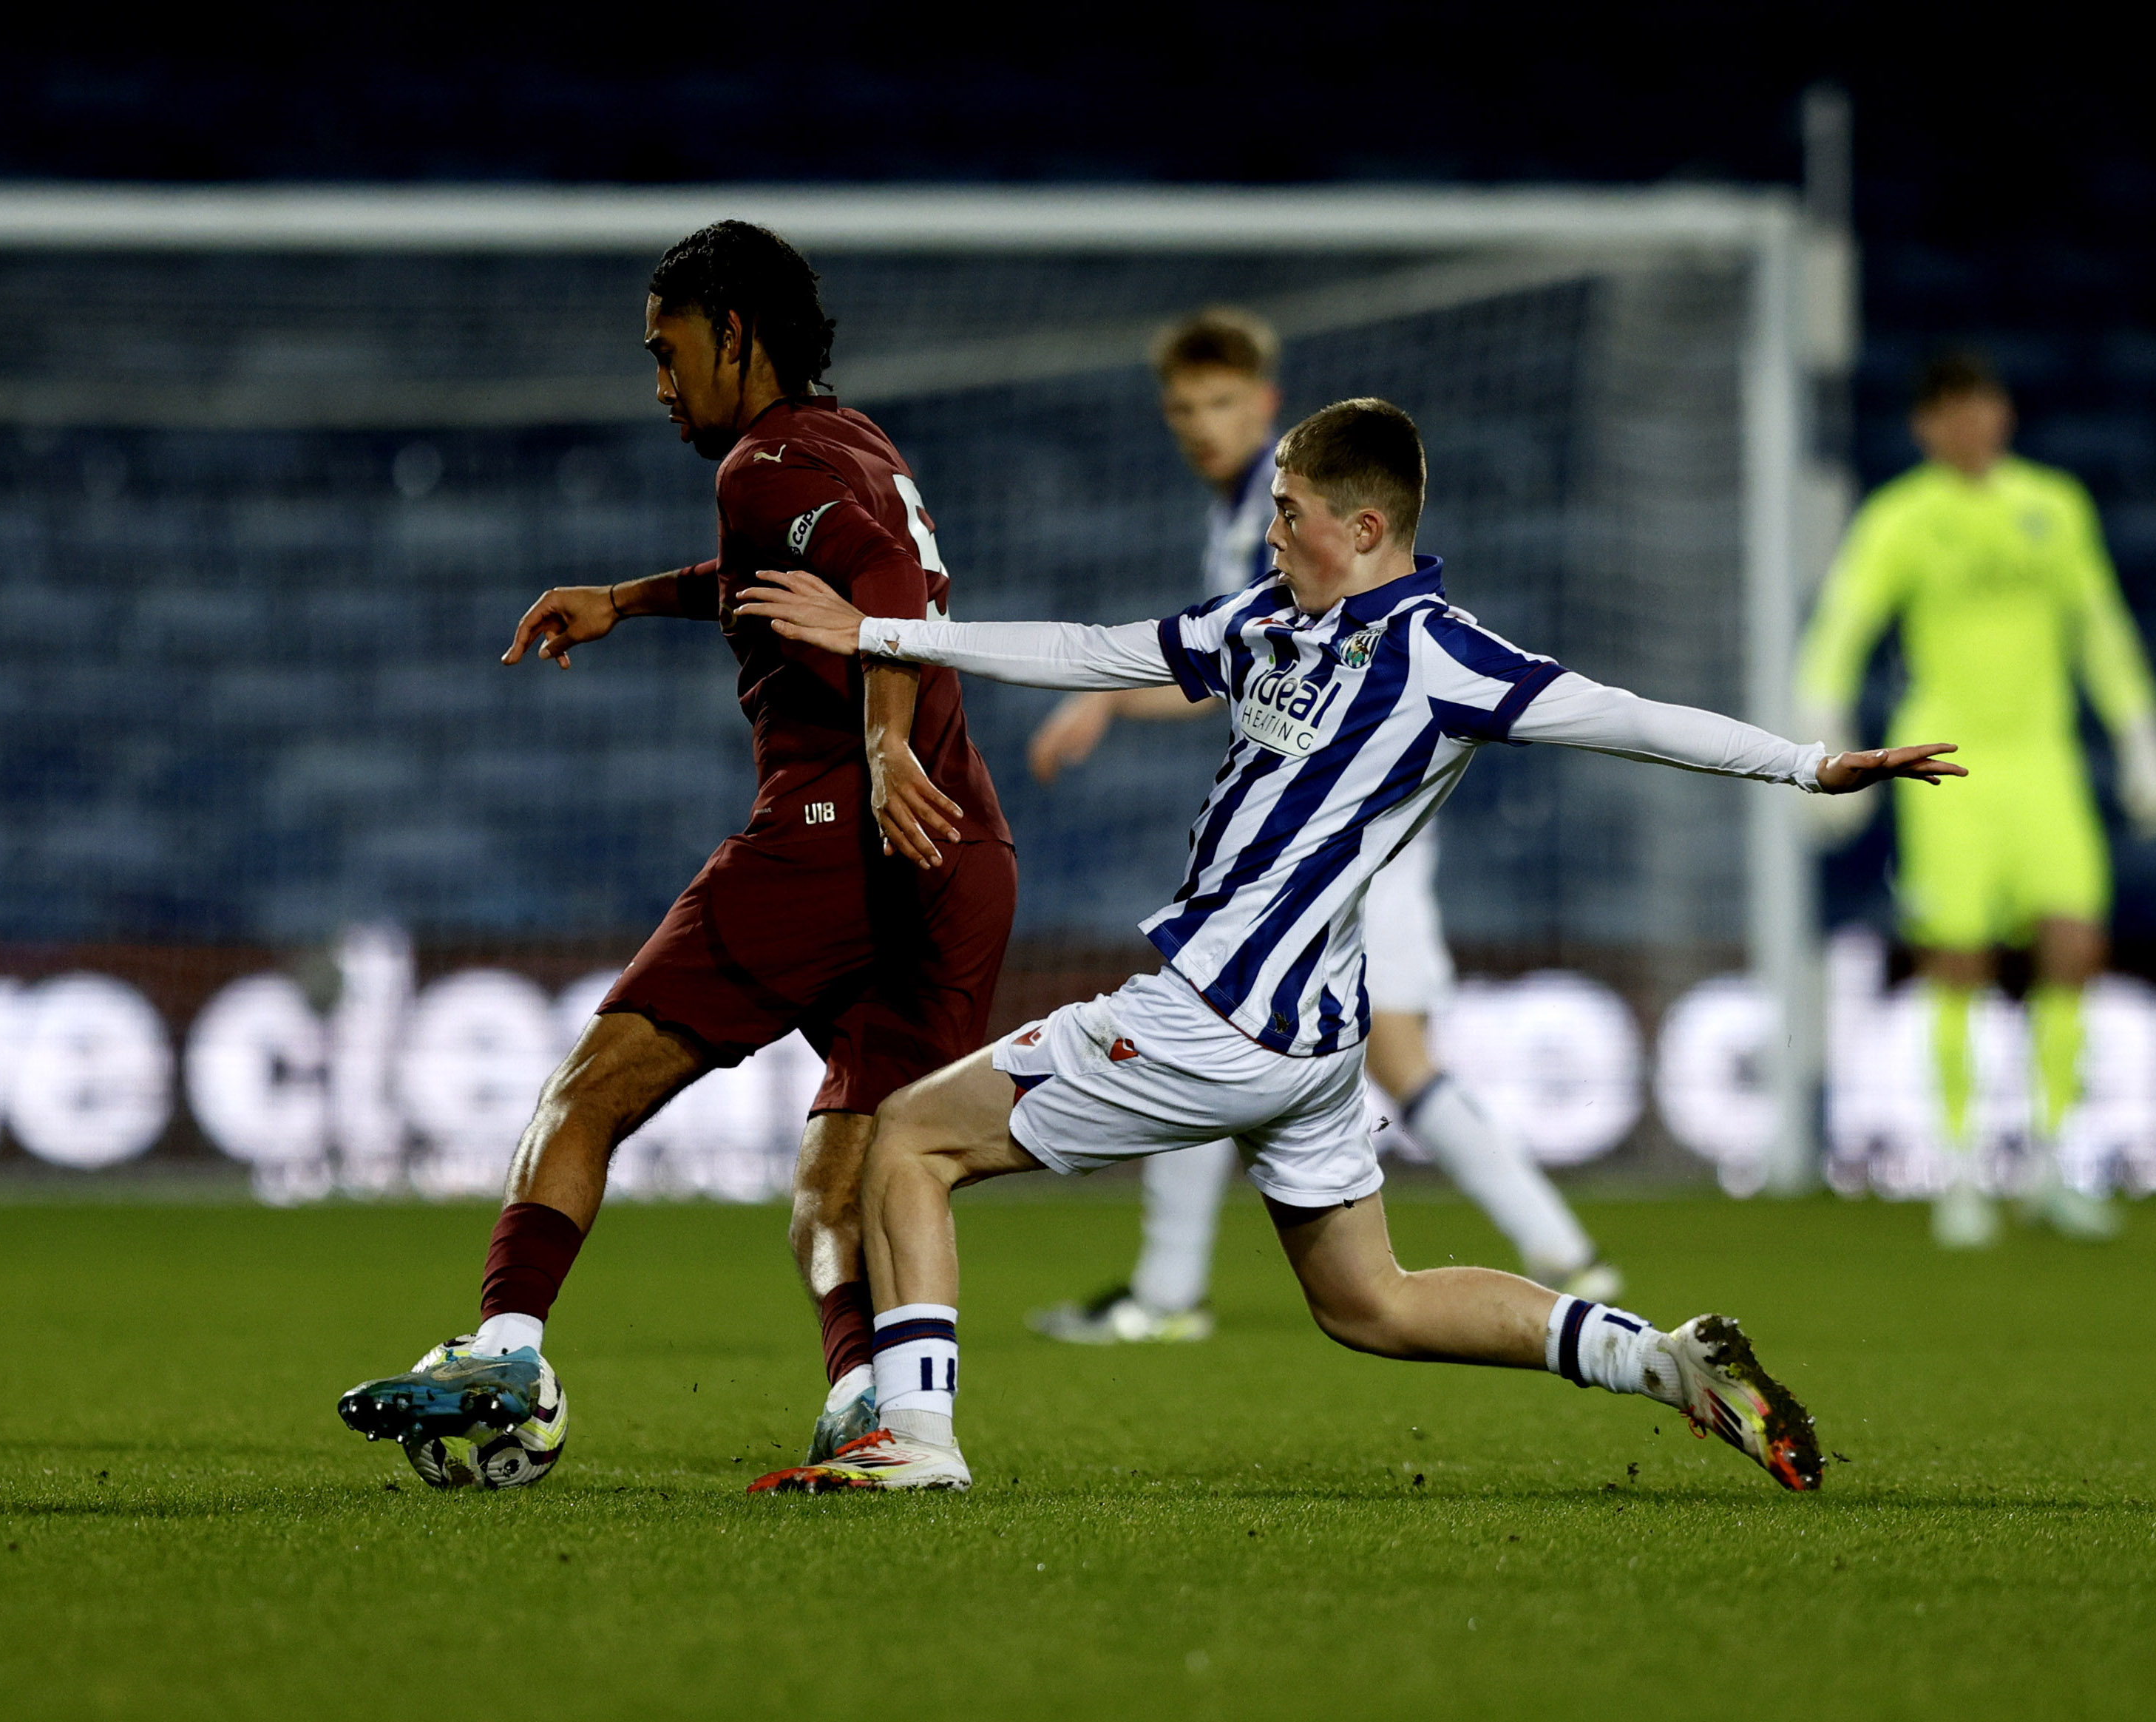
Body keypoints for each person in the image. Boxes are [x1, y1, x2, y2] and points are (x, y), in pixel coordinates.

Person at [738, 396, 1960, 1493]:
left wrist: (1808, 765)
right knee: (1369, 1303)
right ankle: (1663, 1364)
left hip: (1215, 1016)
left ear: (1366, 526)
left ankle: (917, 1439)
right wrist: (890, 638)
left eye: (1288, 513)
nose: (1269, 535)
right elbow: (1100, 649)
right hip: (1318, 1040)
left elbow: (1630, 719)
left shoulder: (1448, 660)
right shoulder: (1269, 619)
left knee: (906, 1138)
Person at [336, 221, 1016, 1481]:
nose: (658, 384)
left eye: (668, 352)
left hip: (836, 828)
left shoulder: (762, 464)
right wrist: (630, 600)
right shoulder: (849, 438)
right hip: (960, 848)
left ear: (734, 333)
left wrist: (876, 749)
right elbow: (788, 576)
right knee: (847, 1164)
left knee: (588, 1091)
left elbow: (884, 595)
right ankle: (871, 1404)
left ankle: (507, 1351)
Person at [1024, 309, 1619, 1352]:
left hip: (1351, 845)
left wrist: (1111, 696)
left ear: (1261, 403)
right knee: (1264, 1028)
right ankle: (1172, 1289)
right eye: (1180, 408)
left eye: (1219, 403)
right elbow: (1240, 670)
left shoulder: (1295, 499)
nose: (1199, 425)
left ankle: (1562, 1254)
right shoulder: (1245, 513)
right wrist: (1115, 698)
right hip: (1329, 839)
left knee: (1301, 1033)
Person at [1799, 350, 2156, 1247]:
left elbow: (2101, 629)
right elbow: (1840, 632)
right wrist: (1826, 745)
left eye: (1983, 406)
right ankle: (1963, 1172)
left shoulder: (2054, 506)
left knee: (2073, 946)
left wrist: (2142, 736)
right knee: (1958, 961)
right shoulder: (1902, 520)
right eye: (1951, 412)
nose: (1971, 426)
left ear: (2001, 413)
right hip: (1949, 765)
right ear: (1926, 427)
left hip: (2043, 761)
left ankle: (2052, 1163)